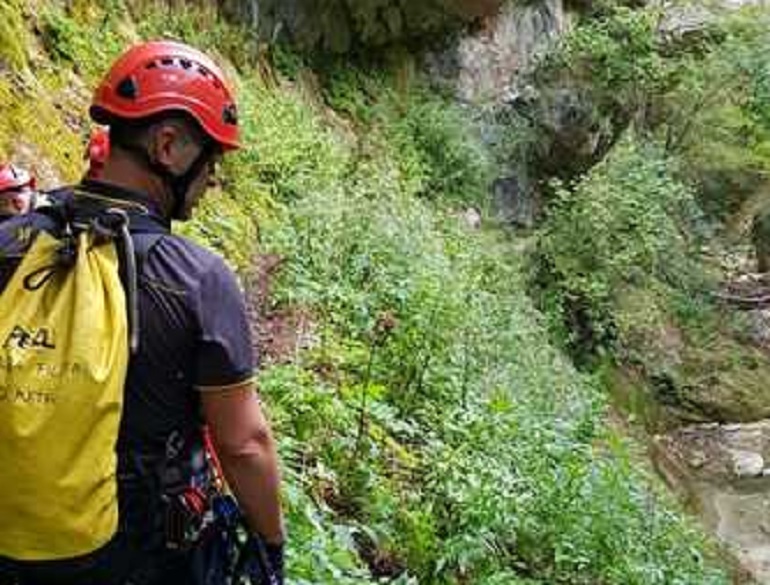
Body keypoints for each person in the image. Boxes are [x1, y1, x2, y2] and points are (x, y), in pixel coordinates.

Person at [0, 41, 284, 584]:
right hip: (134, 558)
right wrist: (270, 543)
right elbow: (243, 443)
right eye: (211, 161)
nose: (212, 181)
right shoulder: (198, 279)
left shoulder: (11, 241)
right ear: (169, 145)